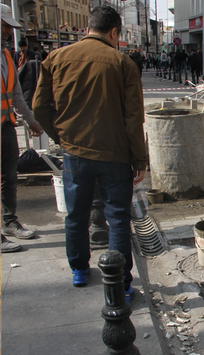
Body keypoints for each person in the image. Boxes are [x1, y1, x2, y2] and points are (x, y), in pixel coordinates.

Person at [32, 5, 147, 303]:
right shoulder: (123, 64)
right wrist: (140, 160)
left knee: (76, 215)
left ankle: (79, 270)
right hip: (116, 156)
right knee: (118, 218)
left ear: (87, 28)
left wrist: (62, 137)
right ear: (113, 32)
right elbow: (134, 119)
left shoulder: (55, 58)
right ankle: (121, 283)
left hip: (75, 153)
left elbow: (39, 108)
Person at [1, 4, 44, 253]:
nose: (9, 32)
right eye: (5, 26)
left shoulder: (7, 55)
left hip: (5, 125)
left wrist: (30, 120)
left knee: (9, 175)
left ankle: (9, 222)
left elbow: (15, 94)